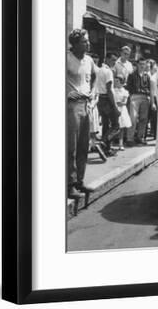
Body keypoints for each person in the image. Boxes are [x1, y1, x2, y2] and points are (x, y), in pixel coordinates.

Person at [66, 29, 96, 199]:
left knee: (84, 146)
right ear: (75, 43)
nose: (88, 43)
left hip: (86, 105)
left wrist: (91, 92)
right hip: (70, 106)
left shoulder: (89, 60)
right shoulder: (66, 58)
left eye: (88, 40)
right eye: (84, 41)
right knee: (71, 147)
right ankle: (69, 185)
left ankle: (80, 181)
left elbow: (93, 77)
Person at [97, 51, 121, 156]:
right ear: (106, 59)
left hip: (100, 99)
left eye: (115, 60)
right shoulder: (108, 72)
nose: (114, 62)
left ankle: (107, 149)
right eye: (112, 60)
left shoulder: (99, 70)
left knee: (106, 125)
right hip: (107, 99)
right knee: (116, 126)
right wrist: (115, 106)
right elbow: (109, 90)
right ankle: (104, 142)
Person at [126, 57, 154, 146]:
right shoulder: (132, 74)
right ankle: (129, 138)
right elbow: (128, 86)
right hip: (135, 96)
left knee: (143, 119)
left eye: (144, 64)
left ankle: (140, 137)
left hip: (145, 97)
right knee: (133, 118)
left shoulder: (147, 76)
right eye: (140, 64)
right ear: (137, 65)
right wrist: (131, 95)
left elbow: (150, 87)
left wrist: (149, 97)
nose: (142, 66)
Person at [113, 76, 131, 150]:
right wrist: (116, 103)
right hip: (114, 110)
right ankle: (111, 143)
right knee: (114, 127)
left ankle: (121, 144)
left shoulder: (125, 92)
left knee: (121, 128)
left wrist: (116, 103)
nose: (115, 82)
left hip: (122, 111)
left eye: (117, 81)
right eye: (115, 81)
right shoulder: (113, 90)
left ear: (121, 83)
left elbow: (124, 102)